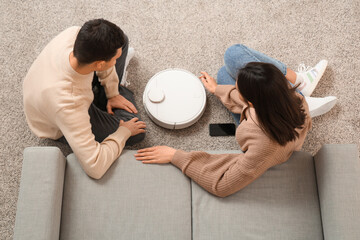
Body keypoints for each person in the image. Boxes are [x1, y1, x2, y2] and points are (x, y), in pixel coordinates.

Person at [135, 44, 336, 197]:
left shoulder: (263, 145)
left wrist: (175, 156)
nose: (235, 88)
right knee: (229, 62)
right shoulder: (295, 99)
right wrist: (216, 90)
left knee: (225, 73)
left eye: (239, 92)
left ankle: (300, 81)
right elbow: (245, 99)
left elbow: (222, 185)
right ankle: (300, 80)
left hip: (265, 136)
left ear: (252, 104)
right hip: (276, 116)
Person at [23, 19, 146, 179]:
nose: (116, 62)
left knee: (122, 41)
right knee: (136, 130)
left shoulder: (73, 33)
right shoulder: (70, 104)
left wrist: (113, 92)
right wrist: (123, 132)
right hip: (59, 119)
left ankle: (107, 93)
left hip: (66, 85)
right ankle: (107, 93)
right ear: (100, 64)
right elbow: (95, 167)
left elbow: (106, 62)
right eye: (113, 61)